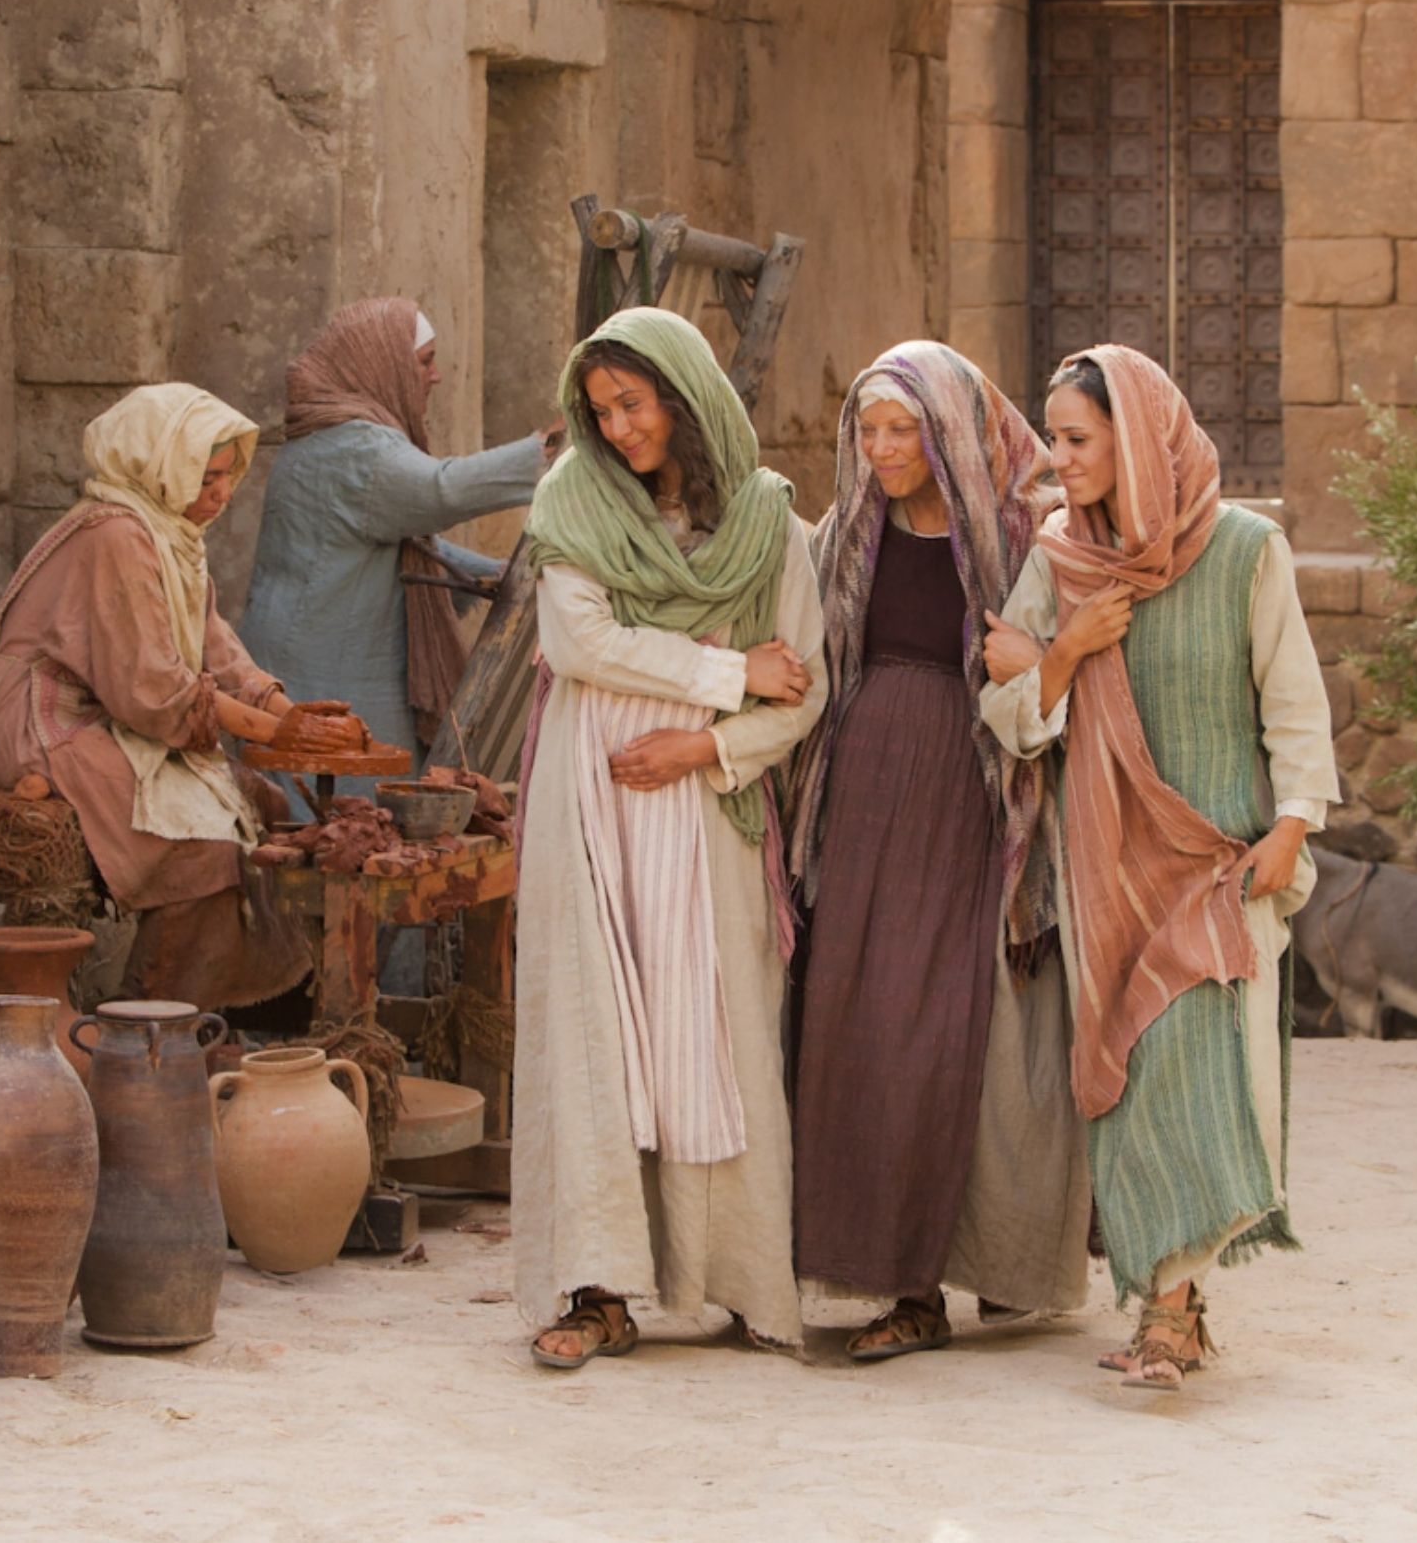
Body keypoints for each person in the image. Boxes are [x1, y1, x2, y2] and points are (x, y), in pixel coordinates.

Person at [980, 345, 1338, 1390]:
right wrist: (1066, 647)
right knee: (1129, 1083)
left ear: (1136, 435)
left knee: (1190, 1057)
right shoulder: (1056, 563)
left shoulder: (1243, 550)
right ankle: (1165, 1303)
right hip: (1103, 869)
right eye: (1053, 437)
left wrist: (1294, 822)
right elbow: (1008, 716)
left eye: (1078, 437)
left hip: (1220, 860)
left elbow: (1292, 697)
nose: (1060, 458)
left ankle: (1171, 1310)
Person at [511, 306, 826, 1368]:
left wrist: (703, 749)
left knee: (722, 1031)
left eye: (633, 405)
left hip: (706, 804)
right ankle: (596, 1290)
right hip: (591, 800)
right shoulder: (571, 499)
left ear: (684, 399)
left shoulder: (768, 524)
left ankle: (742, 1279)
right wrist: (725, 672)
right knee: (594, 1035)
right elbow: (579, 639)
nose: (617, 431)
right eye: (598, 412)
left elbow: (804, 691)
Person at [784, 342, 1090, 1362]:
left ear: (947, 428)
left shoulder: (1016, 540)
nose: (880, 450)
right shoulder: (844, 536)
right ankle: (885, 1279)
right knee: (853, 1027)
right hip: (860, 800)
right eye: (867, 431)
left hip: (968, 801)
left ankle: (943, 1281)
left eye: (901, 429)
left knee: (944, 1034)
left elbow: (1049, 671)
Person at [0, 383, 364, 1011]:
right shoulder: (116, 535)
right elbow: (151, 690)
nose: (222, 493)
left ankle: (207, 1016)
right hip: (40, 724)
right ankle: (148, 1033)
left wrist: (285, 710)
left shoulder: (169, 533)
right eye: (207, 476)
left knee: (260, 802)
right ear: (161, 467)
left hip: (104, 714)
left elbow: (214, 647)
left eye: (229, 477)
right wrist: (269, 735)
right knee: (202, 850)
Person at [241, 296, 561, 785]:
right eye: (425, 361)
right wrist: (544, 453)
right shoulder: (353, 448)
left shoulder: (333, 440)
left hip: (314, 647)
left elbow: (410, 546)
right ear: (383, 364)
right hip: (322, 661)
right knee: (334, 805)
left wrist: (495, 573)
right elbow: (441, 491)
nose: (434, 376)